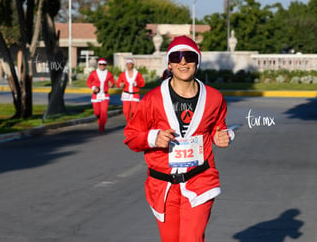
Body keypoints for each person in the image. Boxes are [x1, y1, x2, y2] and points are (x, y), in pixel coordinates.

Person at [124, 35, 234, 242]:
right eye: (177, 56)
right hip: (163, 187)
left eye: (189, 56)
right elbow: (131, 137)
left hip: (200, 180)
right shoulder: (152, 100)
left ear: (197, 62)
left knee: (191, 238)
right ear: (170, 64)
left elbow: (219, 128)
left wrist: (223, 136)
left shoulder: (214, 98)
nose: (183, 61)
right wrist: (153, 137)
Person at [86, 58, 115, 132]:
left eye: (104, 64)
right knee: (97, 112)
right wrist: (93, 88)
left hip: (105, 95)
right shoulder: (94, 73)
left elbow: (112, 82)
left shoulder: (109, 74)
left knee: (104, 112)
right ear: (98, 65)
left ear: (106, 65)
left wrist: (111, 85)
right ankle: (100, 119)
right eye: (100, 64)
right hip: (96, 95)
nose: (102, 66)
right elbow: (89, 82)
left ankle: (101, 126)